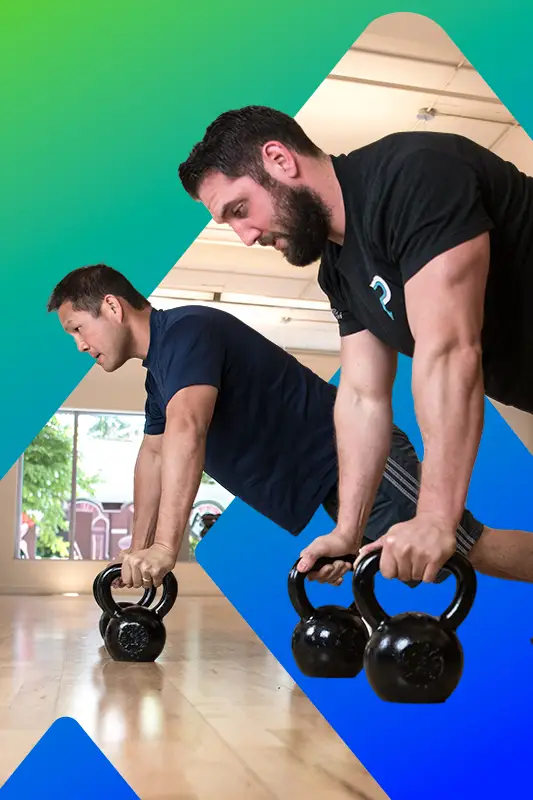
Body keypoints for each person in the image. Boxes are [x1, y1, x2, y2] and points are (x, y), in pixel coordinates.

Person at [178, 105, 533, 585]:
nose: (246, 236)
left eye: (240, 210)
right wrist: (349, 528)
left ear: (279, 159)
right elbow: (362, 397)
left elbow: (449, 350)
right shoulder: (339, 270)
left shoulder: (413, 175)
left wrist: (434, 516)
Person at [47, 264, 533, 591]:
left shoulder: (188, 334)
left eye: (77, 329)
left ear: (111, 307)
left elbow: (186, 432)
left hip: (362, 461)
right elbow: (152, 458)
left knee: (472, 549)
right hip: (334, 484)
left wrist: (165, 548)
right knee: (422, 569)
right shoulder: (160, 378)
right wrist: (137, 550)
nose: (79, 346)